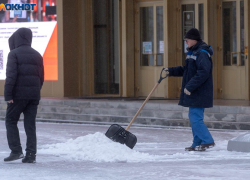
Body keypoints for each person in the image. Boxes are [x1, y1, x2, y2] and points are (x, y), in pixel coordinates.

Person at [165, 28, 215, 151]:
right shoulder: (192, 52)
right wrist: (171, 71)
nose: (186, 42)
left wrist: (190, 86)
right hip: (195, 91)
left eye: (187, 40)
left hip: (199, 91)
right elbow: (186, 69)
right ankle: (197, 143)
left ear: (194, 40)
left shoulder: (202, 53)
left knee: (195, 118)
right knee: (194, 118)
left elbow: (203, 72)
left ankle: (207, 141)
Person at [4, 28, 44, 163]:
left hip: (18, 96)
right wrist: (35, 91)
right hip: (34, 96)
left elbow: (11, 76)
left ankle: (16, 151)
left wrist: (8, 95)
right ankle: (31, 155)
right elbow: (41, 77)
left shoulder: (13, 54)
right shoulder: (37, 54)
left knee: (10, 120)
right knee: (30, 125)